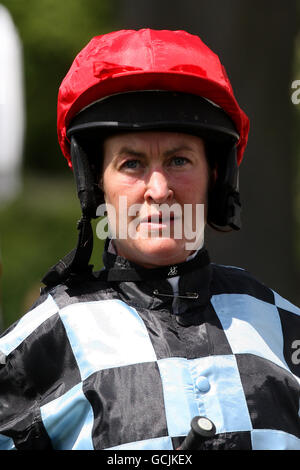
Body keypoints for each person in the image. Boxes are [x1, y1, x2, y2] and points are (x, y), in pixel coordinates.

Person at [0, 29, 299, 451]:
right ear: (97, 186)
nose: (158, 189)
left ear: (215, 177)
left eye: (179, 160)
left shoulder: (285, 328)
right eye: (132, 163)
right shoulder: (37, 346)